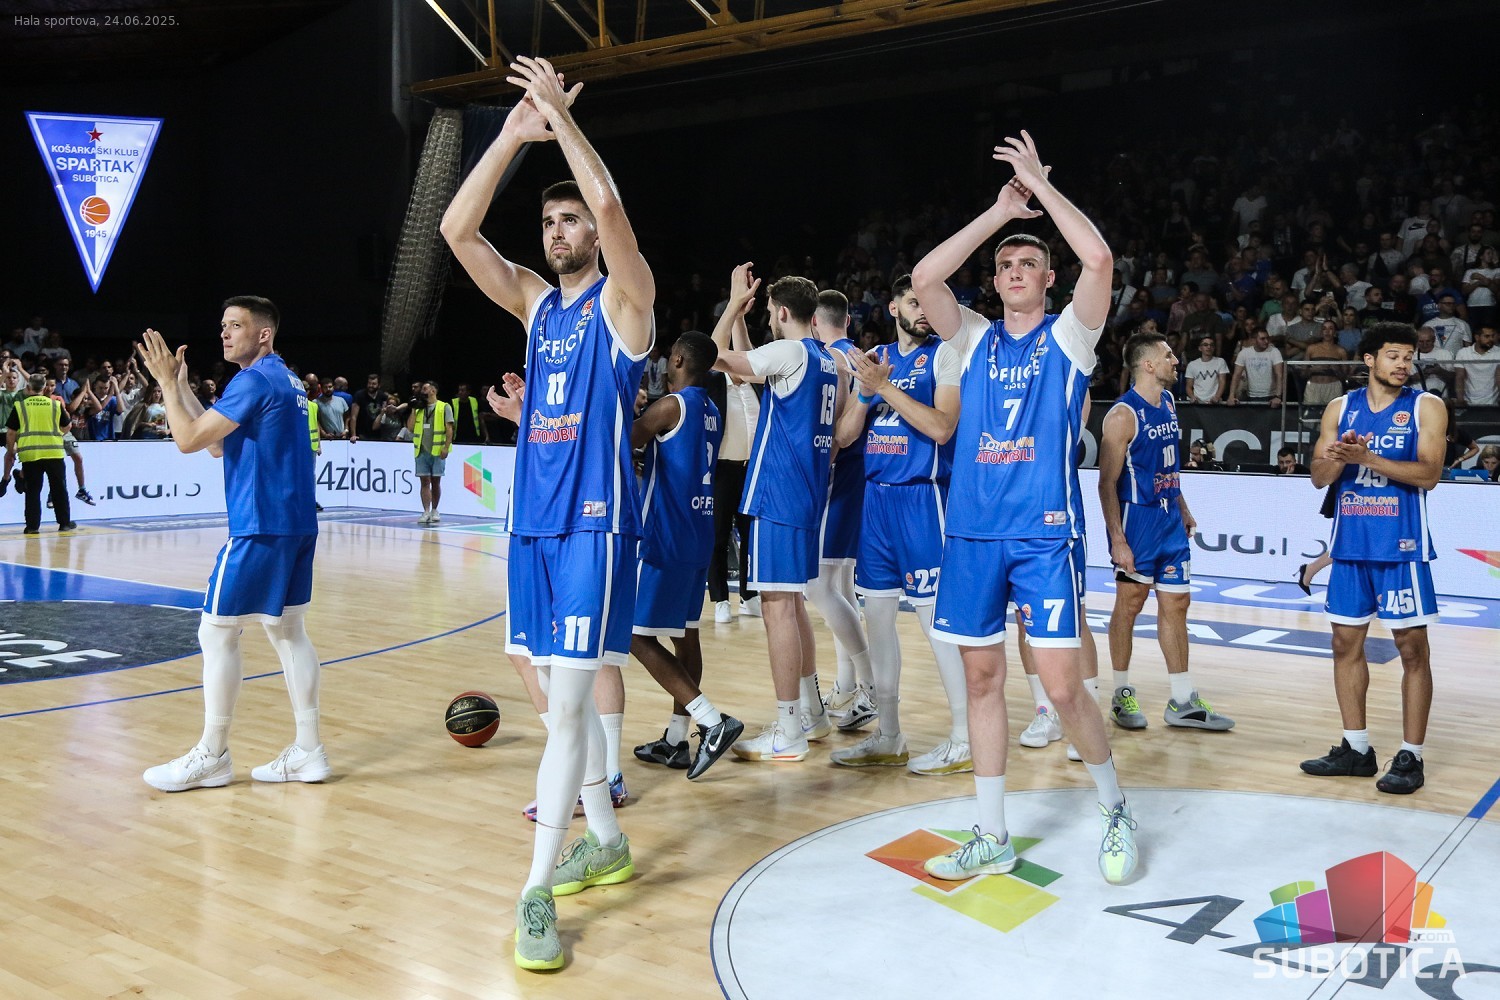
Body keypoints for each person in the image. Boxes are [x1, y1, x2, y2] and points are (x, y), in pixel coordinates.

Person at [440, 56, 649, 972]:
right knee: (550, 689)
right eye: (549, 222)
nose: (560, 230)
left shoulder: (625, 304)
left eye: (569, 221)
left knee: (565, 712)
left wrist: (561, 119)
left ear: (591, 238)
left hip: (594, 527)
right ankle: (603, 838)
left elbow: (611, 208)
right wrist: (510, 135)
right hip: (533, 527)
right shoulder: (535, 306)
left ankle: (534, 893)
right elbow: (456, 230)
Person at [911, 130, 1137, 884]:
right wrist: (999, 214)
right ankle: (991, 832)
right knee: (982, 681)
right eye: (1004, 264)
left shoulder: (1070, 337)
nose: (1013, 270)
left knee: (1063, 687)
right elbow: (925, 276)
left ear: (1047, 279)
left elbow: (1099, 259)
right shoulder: (971, 338)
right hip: (972, 535)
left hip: (1043, 537)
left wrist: (1039, 187)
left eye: (1027, 263)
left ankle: (1114, 807)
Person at [138, 297, 327, 795]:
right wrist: (183, 387)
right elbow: (218, 442)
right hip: (295, 524)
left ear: (263, 334)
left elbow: (188, 440)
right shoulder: (285, 380)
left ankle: (212, 755)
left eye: (235, 325)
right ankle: (308, 750)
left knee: (217, 633)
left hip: (259, 525)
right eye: (222, 325)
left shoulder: (254, 380)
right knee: (288, 632)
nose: (224, 333)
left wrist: (166, 384)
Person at [831, 274, 971, 775]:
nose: (924, 310)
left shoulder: (945, 356)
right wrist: (865, 391)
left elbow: (942, 427)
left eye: (929, 303)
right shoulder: (876, 359)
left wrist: (884, 387)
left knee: (936, 625)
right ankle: (889, 736)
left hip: (922, 500)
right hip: (876, 502)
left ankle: (964, 738)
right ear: (893, 307)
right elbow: (846, 436)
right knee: (879, 621)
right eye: (914, 302)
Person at [1302, 323, 1445, 794]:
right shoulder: (1340, 408)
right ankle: (1356, 748)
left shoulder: (1426, 406)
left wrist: (1368, 459)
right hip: (1350, 547)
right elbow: (1318, 477)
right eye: (1393, 356)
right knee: (1344, 645)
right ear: (1369, 359)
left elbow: (1429, 474)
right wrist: (1341, 456)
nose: (1403, 364)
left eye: (1408, 357)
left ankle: (1411, 754)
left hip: (1402, 548)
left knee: (1412, 650)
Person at [711, 263, 842, 763]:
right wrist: (745, 319)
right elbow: (754, 368)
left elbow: (712, 357)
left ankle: (789, 729)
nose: (768, 318)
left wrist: (731, 305)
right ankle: (811, 711)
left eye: (769, 312)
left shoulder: (789, 352)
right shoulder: (822, 358)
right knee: (792, 603)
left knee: (776, 608)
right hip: (805, 494)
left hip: (778, 494)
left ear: (783, 312)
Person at [1098, 330, 1233, 733]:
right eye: (1169, 355)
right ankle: (1121, 694)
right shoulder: (1122, 415)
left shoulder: (1171, 402)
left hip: (1170, 518)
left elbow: (1168, 466)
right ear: (1148, 364)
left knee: (1177, 604)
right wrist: (1117, 539)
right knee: (1130, 604)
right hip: (1137, 522)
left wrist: (1183, 507)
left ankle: (1182, 701)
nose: (1176, 361)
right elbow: (1106, 483)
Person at [625, 331, 744, 778]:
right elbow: (676, 458)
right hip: (699, 533)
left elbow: (623, 439)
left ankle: (711, 720)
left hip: (666, 536)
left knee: (634, 635)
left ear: (676, 360)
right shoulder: (711, 409)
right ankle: (676, 740)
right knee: (685, 636)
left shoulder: (671, 406)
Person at [807, 289, 877, 731]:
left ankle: (871, 684)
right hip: (859, 476)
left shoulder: (831, 360)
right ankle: (847, 683)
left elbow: (839, 432)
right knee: (841, 587)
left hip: (839, 478)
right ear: (847, 320)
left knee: (817, 586)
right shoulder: (858, 354)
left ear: (814, 322)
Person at [706, 366, 759, 622]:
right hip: (722, 469)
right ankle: (720, 598)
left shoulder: (757, 385)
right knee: (718, 535)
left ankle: (749, 595)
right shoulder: (714, 382)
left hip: (752, 470)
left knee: (751, 536)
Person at [5, 372, 76, 533]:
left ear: (28, 387)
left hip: (30, 454)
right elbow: (67, 426)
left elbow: (11, 432)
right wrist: (56, 435)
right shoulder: (55, 405)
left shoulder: (21, 406)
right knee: (59, 489)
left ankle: (32, 526)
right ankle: (64, 523)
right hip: (54, 453)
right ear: (44, 388)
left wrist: (11, 451)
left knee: (32, 491)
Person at [406, 380, 454, 525]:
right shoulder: (419, 408)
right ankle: (426, 511)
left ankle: (435, 510)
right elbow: (410, 428)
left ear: (433, 390)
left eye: (425, 389)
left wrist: (446, 447)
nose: (422, 391)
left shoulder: (444, 407)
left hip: (437, 450)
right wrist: (413, 409)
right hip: (421, 450)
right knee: (424, 481)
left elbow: (449, 429)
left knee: (436, 481)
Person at [1227, 328, 1285, 406]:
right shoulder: (1244, 353)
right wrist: (1231, 396)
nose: (1266, 341)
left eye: (1267, 338)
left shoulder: (1274, 351)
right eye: (1262, 339)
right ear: (1253, 340)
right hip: (1250, 396)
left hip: (1271, 396)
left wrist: (1278, 396)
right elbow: (1236, 375)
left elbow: (1279, 375)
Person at [1453, 325, 1499, 406]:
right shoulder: (1463, 353)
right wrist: (1460, 400)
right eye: (1487, 336)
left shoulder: (1499, 352)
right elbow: (1460, 377)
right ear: (1477, 337)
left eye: (1492, 336)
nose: (1491, 339)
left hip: (1493, 403)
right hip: (1468, 403)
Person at [1183, 335, 1228, 403]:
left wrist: (1217, 397)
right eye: (1205, 345)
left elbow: (1222, 382)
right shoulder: (1192, 365)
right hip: (1197, 403)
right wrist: (1193, 397)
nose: (1209, 347)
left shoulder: (1220, 362)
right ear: (1200, 348)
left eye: (1211, 345)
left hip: (1215, 402)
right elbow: (1188, 386)